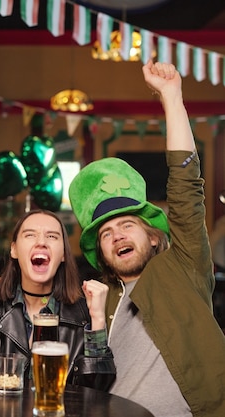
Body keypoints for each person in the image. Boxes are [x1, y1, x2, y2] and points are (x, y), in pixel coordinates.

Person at [68, 61, 225, 416]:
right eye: (105, 233)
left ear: (154, 238)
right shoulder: (97, 301)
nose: (116, 235)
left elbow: (186, 190)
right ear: (101, 253)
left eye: (126, 224)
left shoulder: (183, 267)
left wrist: (171, 97)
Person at [0, 209, 115, 390]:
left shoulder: (83, 314)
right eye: (30, 235)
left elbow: (96, 391)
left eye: (52, 236)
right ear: (14, 250)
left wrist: (97, 319)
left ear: (64, 254)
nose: (41, 242)